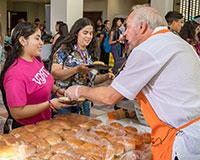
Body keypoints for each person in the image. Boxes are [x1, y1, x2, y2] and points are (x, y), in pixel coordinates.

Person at [65, 6, 200, 160]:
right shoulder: (181, 44)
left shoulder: (147, 49)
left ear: (142, 27)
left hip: (180, 140)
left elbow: (109, 97)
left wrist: (79, 90)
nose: (124, 33)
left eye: (128, 27)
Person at [0, 22, 66, 133]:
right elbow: (17, 112)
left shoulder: (36, 59)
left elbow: (44, 80)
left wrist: (57, 90)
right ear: (22, 41)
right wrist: (49, 104)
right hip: (26, 130)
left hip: (43, 125)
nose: (41, 43)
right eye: (37, 38)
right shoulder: (15, 74)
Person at [51, 18, 114, 115]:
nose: (89, 36)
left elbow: (92, 79)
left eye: (91, 33)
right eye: (85, 33)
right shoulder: (64, 50)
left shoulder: (87, 53)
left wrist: (106, 77)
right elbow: (55, 73)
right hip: (65, 101)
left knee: (83, 129)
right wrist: (76, 69)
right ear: (76, 33)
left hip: (83, 102)